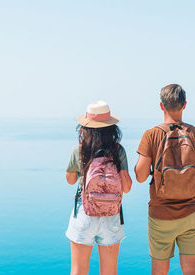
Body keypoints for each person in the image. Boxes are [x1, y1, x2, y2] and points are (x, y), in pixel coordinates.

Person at [134, 84, 195, 275]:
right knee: (191, 270)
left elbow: (139, 177)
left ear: (161, 106)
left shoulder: (151, 135)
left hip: (161, 214)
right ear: (184, 105)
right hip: (192, 213)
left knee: (159, 270)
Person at [65, 100, 133, 275]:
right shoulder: (118, 151)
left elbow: (70, 180)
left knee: (78, 271)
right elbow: (127, 187)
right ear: (111, 128)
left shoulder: (78, 150)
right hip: (112, 215)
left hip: (84, 212)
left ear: (86, 128)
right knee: (110, 272)